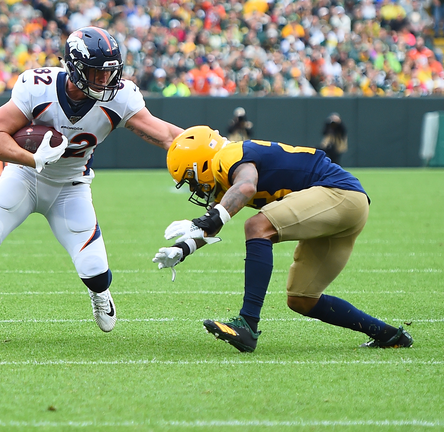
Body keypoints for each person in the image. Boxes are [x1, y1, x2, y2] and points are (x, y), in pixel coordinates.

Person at [0, 27, 185, 343]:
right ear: (75, 68)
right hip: (24, 177)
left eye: (109, 73)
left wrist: (209, 147)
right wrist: (30, 158)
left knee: (95, 270)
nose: (105, 82)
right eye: (96, 73)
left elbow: (167, 135)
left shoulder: (120, 97)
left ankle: (100, 293)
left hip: (70, 186)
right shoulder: (39, 88)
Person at [152, 125, 413, 353]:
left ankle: (247, 325)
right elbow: (216, 221)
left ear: (204, 162)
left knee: (257, 226)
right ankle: (389, 335)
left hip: (339, 194)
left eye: (191, 179)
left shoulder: (228, 155)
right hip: (347, 207)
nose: (194, 188)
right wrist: (183, 248)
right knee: (302, 297)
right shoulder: (226, 179)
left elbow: (245, 187)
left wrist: (205, 221)